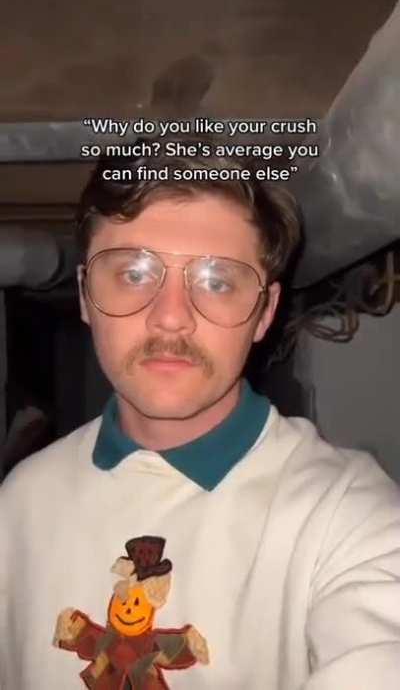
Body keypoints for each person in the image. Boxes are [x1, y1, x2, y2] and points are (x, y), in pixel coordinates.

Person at [1, 135, 399, 690]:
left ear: (265, 313)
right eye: (134, 273)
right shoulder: (20, 501)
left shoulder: (344, 515)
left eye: (217, 281)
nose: (171, 317)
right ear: (86, 296)